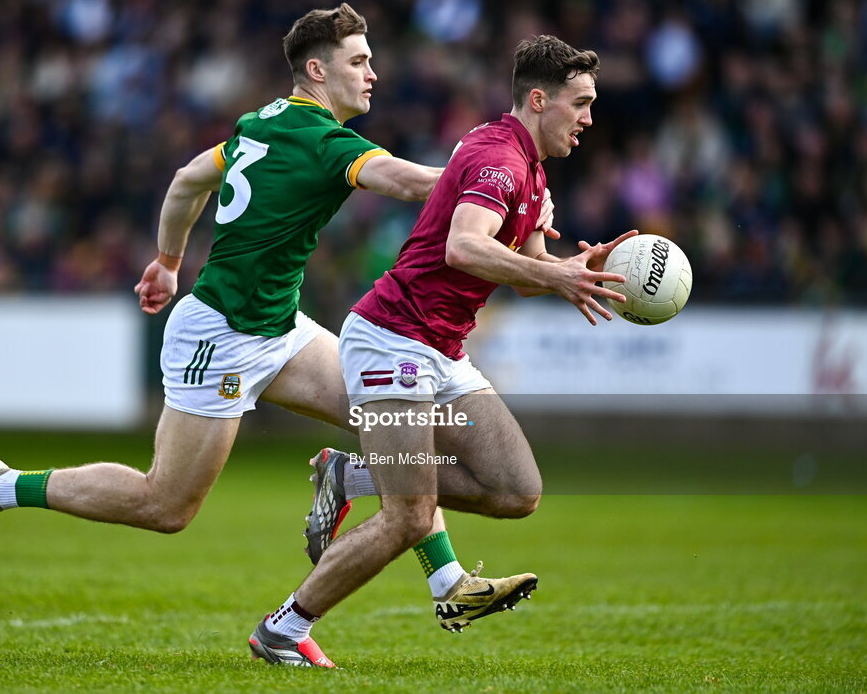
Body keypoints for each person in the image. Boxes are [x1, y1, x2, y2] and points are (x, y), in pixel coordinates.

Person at [0, 2, 540, 644]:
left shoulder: (263, 123)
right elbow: (411, 182)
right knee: (165, 505)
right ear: (316, 68)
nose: (373, 74)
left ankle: (447, 583)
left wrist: (167, 261)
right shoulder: (322, 139)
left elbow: (186, 179)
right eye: (359, 61)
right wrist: (494, 184)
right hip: (220, 339)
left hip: (280, 329)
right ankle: (2, 486)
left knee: (396, 417)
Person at [251, 35, 638, 667]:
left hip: (442, 349)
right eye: (581, 103)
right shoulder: (498, 160)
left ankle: (347, 475)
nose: (589, 118)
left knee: (517, 490)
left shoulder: (533, 171)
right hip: (393, 337)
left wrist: (571, 268)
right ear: (539, 100)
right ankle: (282, 629)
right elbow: (464, 246)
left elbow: (523, 269)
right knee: (409, 514)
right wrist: (556, 276)